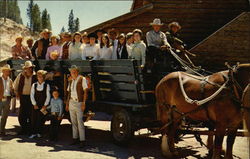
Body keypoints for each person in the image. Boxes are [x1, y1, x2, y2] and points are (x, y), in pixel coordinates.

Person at [66, 65, 88, 148]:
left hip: (79, 102)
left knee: (80, 122)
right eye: (71, 72)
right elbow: (69, 92)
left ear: (77, 71)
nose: (73, 73)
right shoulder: (71, 80)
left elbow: (85, 91)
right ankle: (75, 138)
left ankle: (82, 140)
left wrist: (84, 103)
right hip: (72, 102)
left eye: (74, 71)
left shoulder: (82, 79)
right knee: (73, 122)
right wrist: (67, 103)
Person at [14, 61, 37, 135]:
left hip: (31, 97)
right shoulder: (21, 75)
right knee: (22, 114)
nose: (27, 69)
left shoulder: (35, 75)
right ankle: (23, 129)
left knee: (31, 114)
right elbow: (16, 84)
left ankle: (30, 130)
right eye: (26, 68)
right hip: (23, 96)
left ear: (31, 68)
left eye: (29, 68)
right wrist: (16, 92)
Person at [29, 70, 51, 138]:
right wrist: (34, 104)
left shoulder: (47, 85)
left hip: (43, 105)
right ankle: (33, 133)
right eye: (39, 77)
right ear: (37, 77)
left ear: (44, 77)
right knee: (33, 118)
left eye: (41, 77)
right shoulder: (34, 85)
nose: (40, 78)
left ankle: (39, 132)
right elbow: (32, 95)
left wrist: (45, 105)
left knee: (41, 119)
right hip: (35, 105)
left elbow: (48, 96)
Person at [0, 65, 14, 136]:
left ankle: (2, 131)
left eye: (8, 71)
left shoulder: (10, 80)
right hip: (0, 99)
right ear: (2, 71)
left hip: (7, 99)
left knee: (5, 116)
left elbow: (12, 90)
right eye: (6, 71)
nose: (7, 72)